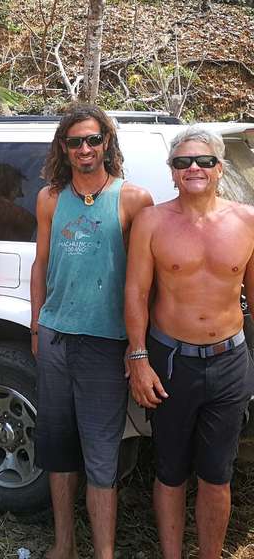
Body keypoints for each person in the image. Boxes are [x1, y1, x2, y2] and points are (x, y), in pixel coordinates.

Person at [125, 126, 254, 559]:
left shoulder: (247, 221)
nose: (193, 168)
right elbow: (136, 294)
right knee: (171, 470)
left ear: (220, 168)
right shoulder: (152, 221)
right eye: (183, 162)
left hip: (230, 359)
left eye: (204, 161)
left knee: (217, 474)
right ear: (172, 172)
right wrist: (139, 358)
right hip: (171, 360)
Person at [30, 104, 152, 559]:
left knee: (102, 455)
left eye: (93, 139)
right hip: (57, 337)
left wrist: (135, 347)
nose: (85, 148)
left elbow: (145, 281)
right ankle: (64, 545)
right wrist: (36, 325)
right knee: (58, 450)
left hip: (106, 344)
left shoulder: (133, 199)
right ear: (63, 147)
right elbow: (41, 265)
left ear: (107, 143)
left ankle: (103, 552)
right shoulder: (48, 197)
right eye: (75, 141)